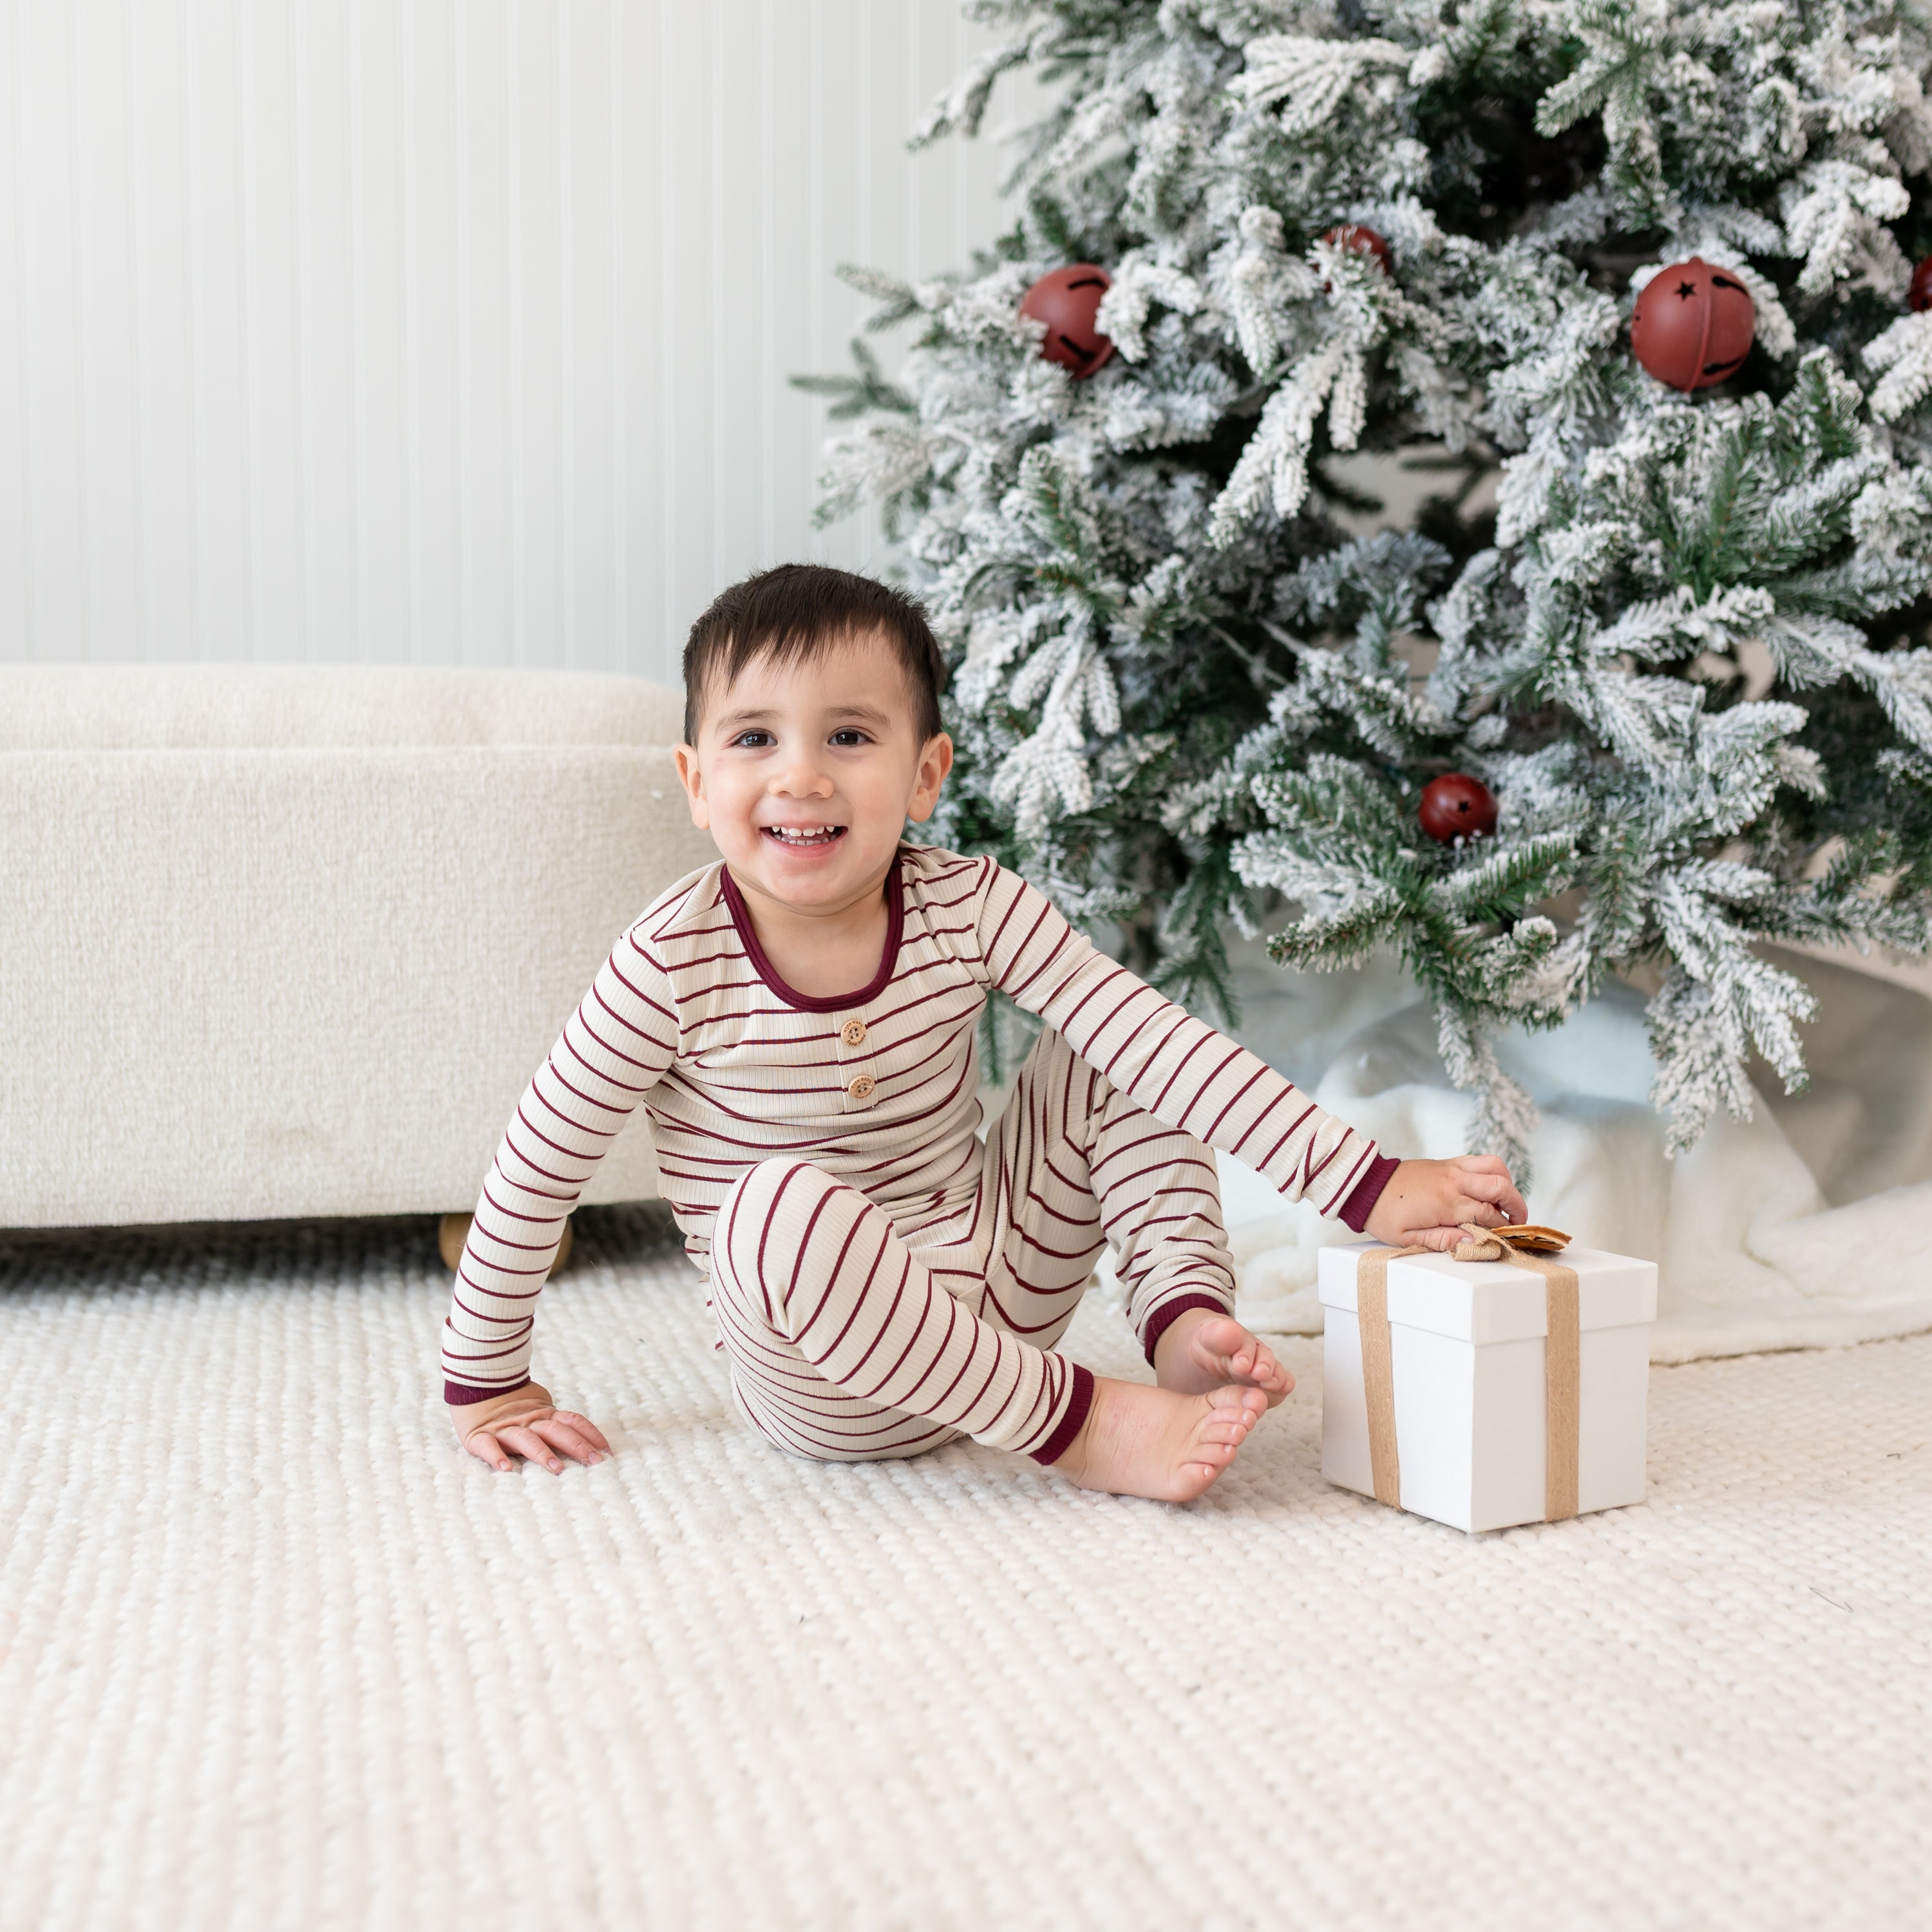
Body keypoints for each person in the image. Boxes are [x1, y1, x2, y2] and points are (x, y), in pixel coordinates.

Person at [440, 565, 1526, 1502]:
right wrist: (486, 1376)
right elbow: (542, 1162)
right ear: (696, 783)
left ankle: (1182, 1324)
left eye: (850, 736)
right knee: (772, 1203)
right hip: (826, 1373)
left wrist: (1371, 1185)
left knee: (1123, 1047)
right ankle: (1085, 1425)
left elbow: (1147, 1039)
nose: (801, 774)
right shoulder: (669, 962)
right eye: (754, 738)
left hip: (1000, 1295)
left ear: (925, 777)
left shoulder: (968, 903)